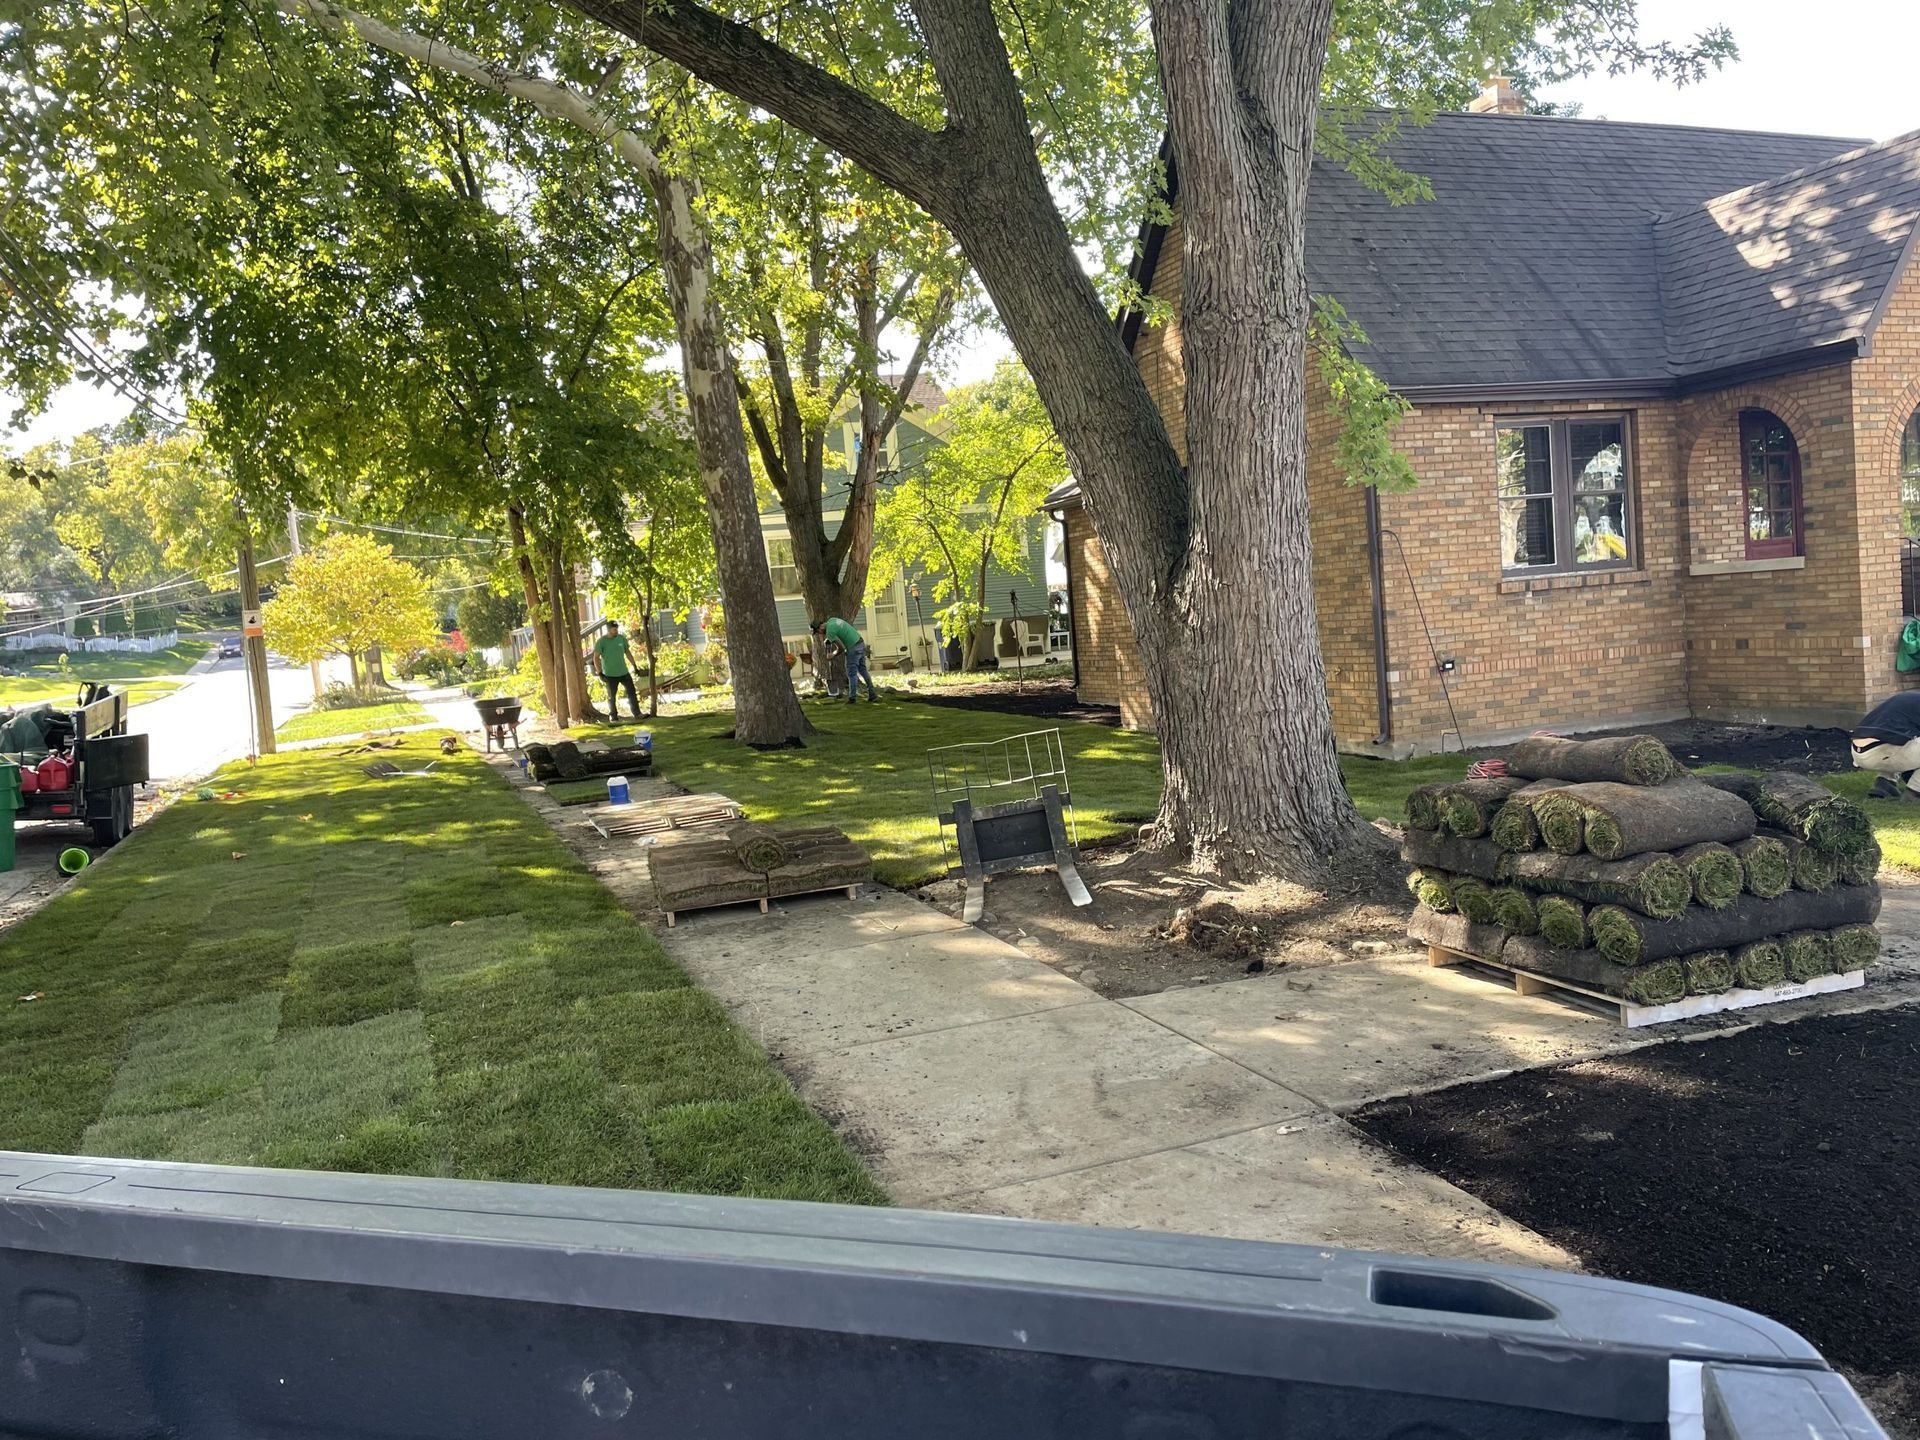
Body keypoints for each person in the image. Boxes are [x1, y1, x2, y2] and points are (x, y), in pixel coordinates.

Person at [1852, 691, 1920, 798]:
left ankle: (1885, 783)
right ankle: (1914, 792)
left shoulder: (1909, 697)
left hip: (1858, 750)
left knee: (1899, 740)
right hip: (1882, 750)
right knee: (1898, 742)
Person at [815, 615, 876, 704]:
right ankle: (872, 695)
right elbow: (839, 631)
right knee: (863, 670)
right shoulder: (832, 620)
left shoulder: (829, 632)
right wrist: (829, 640)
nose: (819, 634)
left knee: (852, 674)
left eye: (818, 632)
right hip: (860, 642)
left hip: (853, 648)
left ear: (820, 627)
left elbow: (841, 648)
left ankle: (852, 699)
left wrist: (833, 655)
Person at [592, 620, 641, 721]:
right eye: (614, 629)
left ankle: (637, 714)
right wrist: (600, 673)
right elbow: (596, 658)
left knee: (632, 693)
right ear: (609, 630)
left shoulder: (621, 639)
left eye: (616, 629)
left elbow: (627, 652)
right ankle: (613, 716)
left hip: (624, 672)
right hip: (610, 674)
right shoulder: (601, 642)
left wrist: (635, 666)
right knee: (612, 696)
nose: (616, 631)